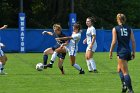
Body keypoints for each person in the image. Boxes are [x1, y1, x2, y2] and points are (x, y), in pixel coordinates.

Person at [109, 13, 136, 93]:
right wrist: (133, 52)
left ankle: (130, 90)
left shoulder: (115, 29)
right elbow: (133, 41)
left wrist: (110, 51)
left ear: (118, 19)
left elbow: (114, 42)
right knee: (119, 69)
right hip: (128, 50)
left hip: (121, 52)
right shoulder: (129, 28)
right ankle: (124, 85)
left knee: (125, 72)